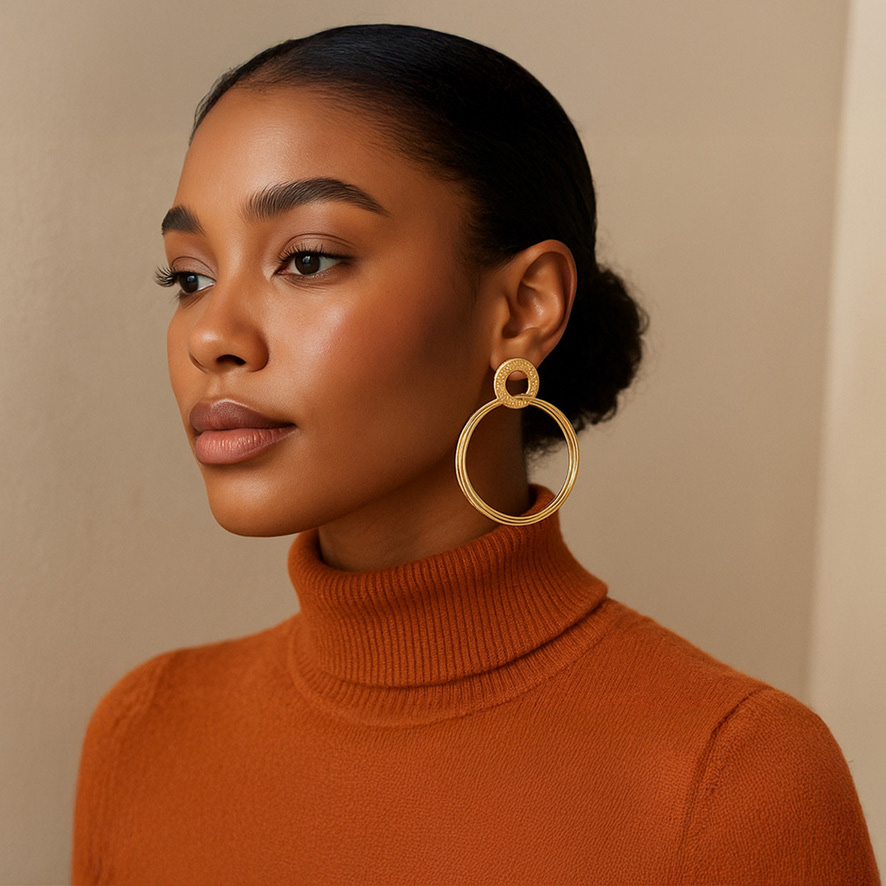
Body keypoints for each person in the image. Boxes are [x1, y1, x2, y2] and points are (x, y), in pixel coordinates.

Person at [71, 23, 879, 885]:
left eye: (307, 259)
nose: (214, 337)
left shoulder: (739, 779)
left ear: (523, 308)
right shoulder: (143, 734)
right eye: (189, 277)